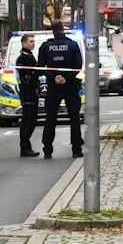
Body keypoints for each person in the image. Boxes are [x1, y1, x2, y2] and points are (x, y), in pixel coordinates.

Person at [35, 21, 84, 159]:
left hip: (53, 87)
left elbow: (40, 67)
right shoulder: (73, 45)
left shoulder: (45, 46)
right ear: (63, 29)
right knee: (74, 118)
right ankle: (76, 148)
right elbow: (78, 66)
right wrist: (66, 78)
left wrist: (54, 77)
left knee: (50, 118)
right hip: (70, 86)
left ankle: (47, 149)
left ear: (52, 31)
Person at [14, 32, 42, 157]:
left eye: (34, 41)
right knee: (28, 118)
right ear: (24, 43)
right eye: (31, 41)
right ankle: (24, 146)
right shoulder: (22, 58)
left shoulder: (29, 56)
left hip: (32, 90)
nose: (33, 44)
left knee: (32, 118)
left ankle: (26, 145)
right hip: (27, 91)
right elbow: (27, 76)